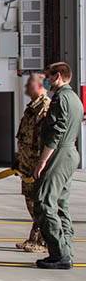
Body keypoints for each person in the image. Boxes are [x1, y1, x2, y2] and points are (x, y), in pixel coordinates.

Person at [32, 62, 82, 270]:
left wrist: (43, 161)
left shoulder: (60, 98)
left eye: (49, 76)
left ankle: (58, 253)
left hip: (59, 152)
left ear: (59, 76)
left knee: (44, 201)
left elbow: (56, 132)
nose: (47, 80)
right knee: (60, 204)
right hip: (70, 153)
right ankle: (66, 251)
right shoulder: (75, 99)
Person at [15, 72, 51, 253]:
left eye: (29, 83)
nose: (26, 87)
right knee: (31, 203)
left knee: (39, 203)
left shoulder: (45, 108)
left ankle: (43, 241)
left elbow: (46, 140)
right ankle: (35, 238)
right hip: (27, 165)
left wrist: (41, 164)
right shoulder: (31, 108)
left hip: (37, 166)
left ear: (39, 86)